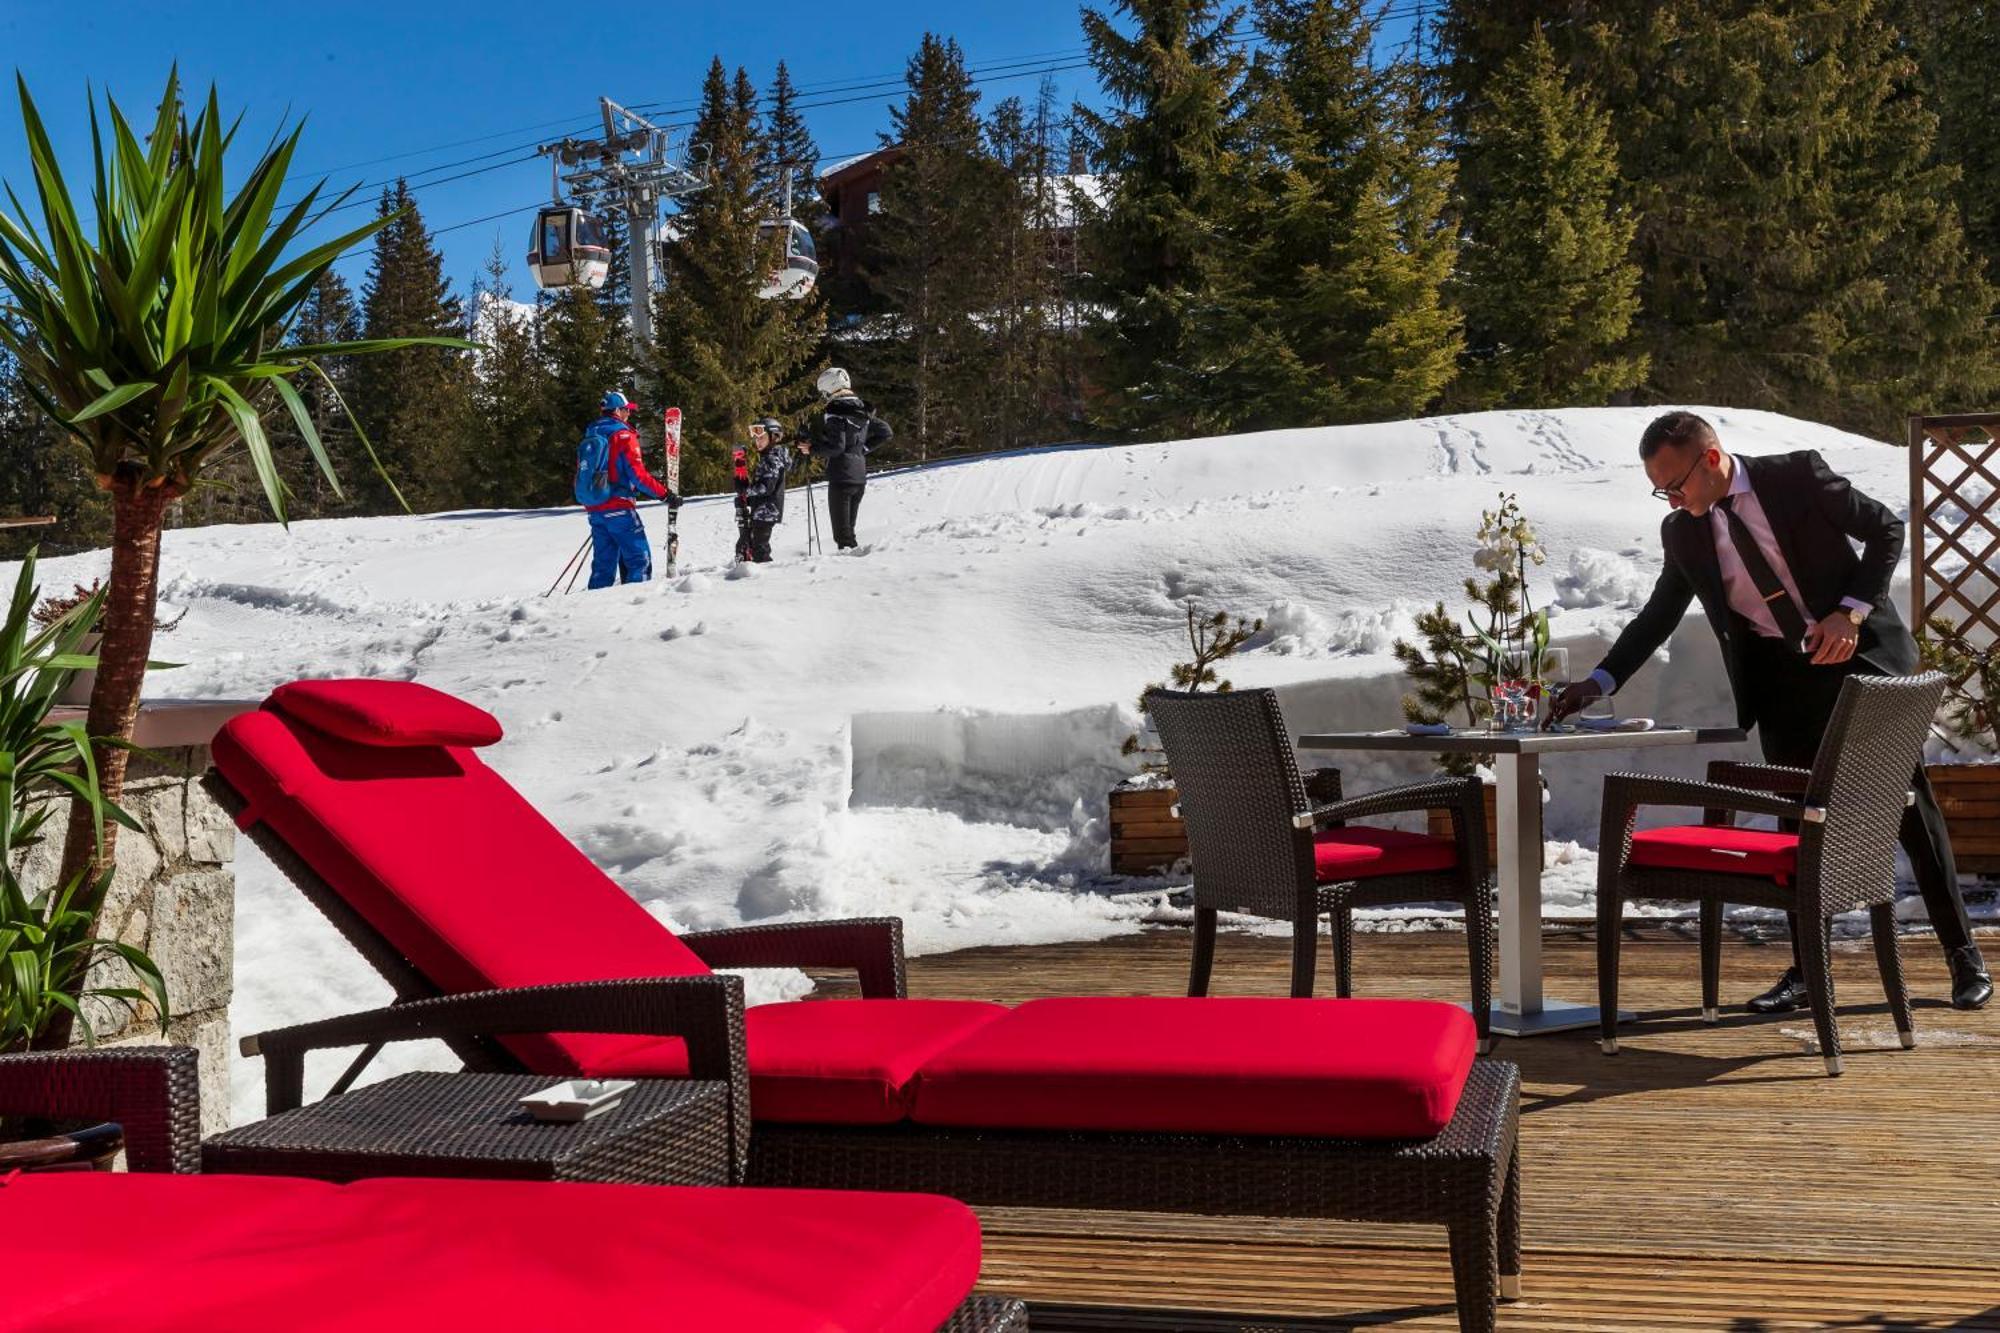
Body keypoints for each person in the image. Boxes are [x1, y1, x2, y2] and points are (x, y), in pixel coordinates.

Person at [1548, 411, 1991, 1011]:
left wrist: (1851, 612)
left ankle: (1964, 958)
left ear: (1711, 459)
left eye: (1676, 484)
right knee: (1795, 816)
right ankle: (1809, 969)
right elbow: (1658, 615)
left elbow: (1887, 528)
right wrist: (1598, 681)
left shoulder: (1796, 476)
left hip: (1861, 656)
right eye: (1661, 490)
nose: (1671, 498)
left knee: (1906, 802)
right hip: (1784, 678)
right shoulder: (1683, 531)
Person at [575, 390, 668, 589]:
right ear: (617, 410)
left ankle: (595, 607)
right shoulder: (623, 435)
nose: (629, 414)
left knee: (603, 565)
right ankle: (636, 605)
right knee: (638, 560)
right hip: (619, 506)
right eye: (627, 410)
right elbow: (638, 475)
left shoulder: (591, 433)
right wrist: (664, 494)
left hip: (595, 507)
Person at [808, 367, 891, 550]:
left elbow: (837, 447)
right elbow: (886, 432)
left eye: (824, 392)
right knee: (848, 533)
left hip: (840, 476)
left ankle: (850, 572)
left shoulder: (835, 411)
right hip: (859, 477)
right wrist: (862, 449)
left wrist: (812, 449)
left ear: (830, 388)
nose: (824, 397)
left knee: (842, 536)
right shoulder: (862, 410)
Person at [740, 417, 793, 563]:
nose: (758, 442)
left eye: (762, 438)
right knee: (755, 545)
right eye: (756, 439)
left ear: (774, 437)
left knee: (760, 548)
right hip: (764, 509)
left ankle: (765, 575)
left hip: (766, 511)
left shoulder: (772, 458)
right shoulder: (769, 457)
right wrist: (749, 499)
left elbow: (766, 487)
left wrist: (746, 491)